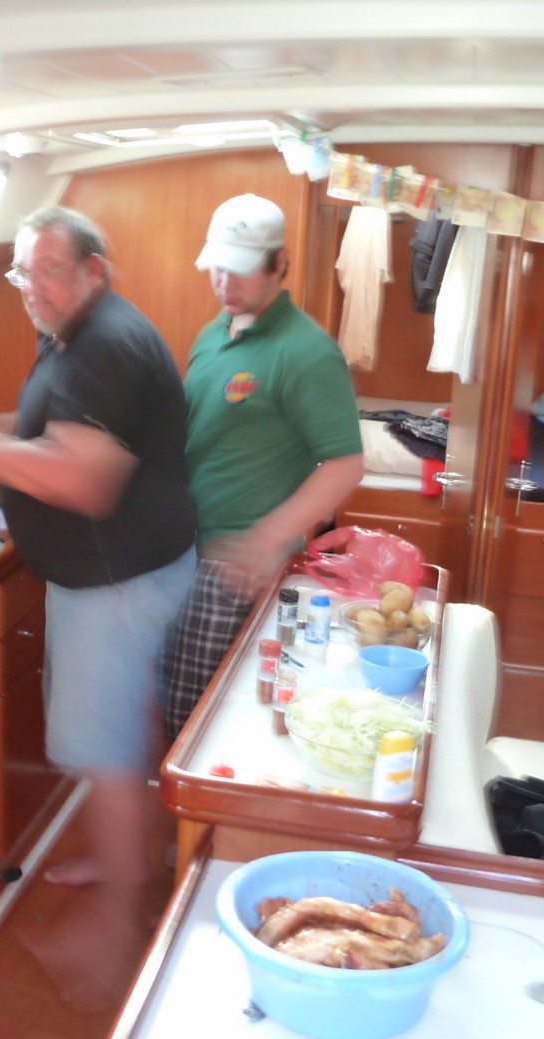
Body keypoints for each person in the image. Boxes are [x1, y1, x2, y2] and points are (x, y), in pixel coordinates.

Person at [0, 206, 196, 1005]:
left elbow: (82, 478)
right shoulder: (78, 331)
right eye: (21, 271)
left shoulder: (104, 344)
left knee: (104, 753)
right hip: (133, 573)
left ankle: (115, 936)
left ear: (93, 270)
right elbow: (55, 429)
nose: (31, 288)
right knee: (127, 731)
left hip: (117, 585)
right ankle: (127, 863)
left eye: (49, 270)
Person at [162, 193, 365, 739]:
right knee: (178, 700)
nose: (225, 282)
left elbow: (345, 463)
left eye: (242, 269)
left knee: (199, 722)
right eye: (218, 267)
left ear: (280, 264)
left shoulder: (307, 353)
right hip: (186, 551)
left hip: (235, 565)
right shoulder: (213, 335)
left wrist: (264, 540)